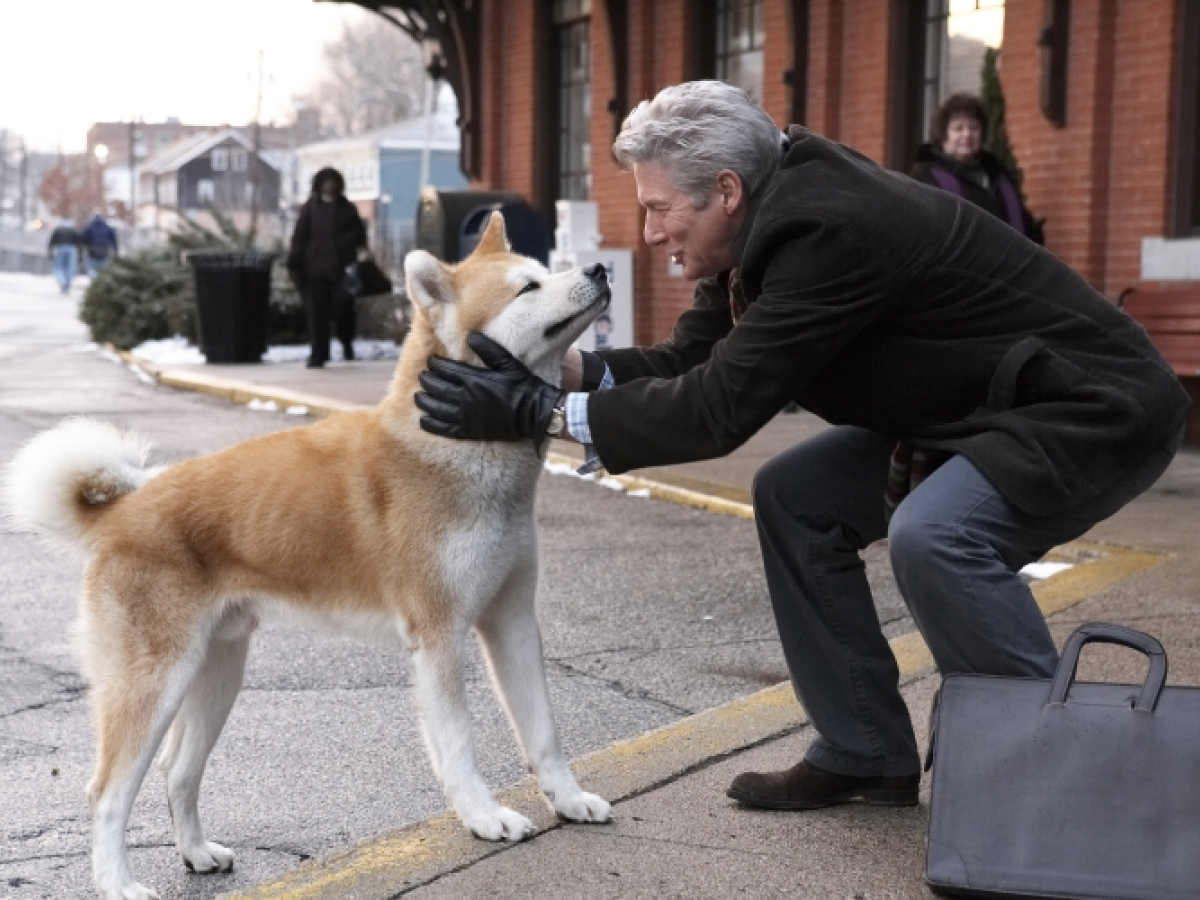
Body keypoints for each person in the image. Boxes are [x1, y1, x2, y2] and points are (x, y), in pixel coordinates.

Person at [414, 81, 1190, 811]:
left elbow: (719, 408)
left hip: (1090, 408)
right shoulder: (760, 216)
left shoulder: (827, 229)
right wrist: (558, 368)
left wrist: (538, 412)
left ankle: (1071, 780)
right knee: (795, 497)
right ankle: (864, 750)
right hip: (978, 409)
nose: (650, 235)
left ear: (725, 191)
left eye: (658, 210)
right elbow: (693, 362)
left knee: (937, 536)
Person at [911, 92, 1043, 244]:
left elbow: (1023, 222)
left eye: (973, 128)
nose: (967, 135)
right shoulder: (925, 178)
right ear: (943, 135)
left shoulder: (998, 175)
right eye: (958, 129)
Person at [286, 167, 367, 368]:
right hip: (314, 271)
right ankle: (318, 354)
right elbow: (299, 238)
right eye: (326, 182)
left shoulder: (347, 209)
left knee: (343, 311)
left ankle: (346, 344)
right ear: (319, 185)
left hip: (342, 271)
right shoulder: (310, 209)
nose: (330, 186)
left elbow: (361, 237)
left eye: (333, 182)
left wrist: (347, 241)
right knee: (316, 315)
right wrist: (294, 263)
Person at [80, 211, 119, 277]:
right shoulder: (108, 228)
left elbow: (84, 239)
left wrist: (86, 246)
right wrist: (115, 251)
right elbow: (114, 240)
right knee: (103, 271)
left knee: (91, 269)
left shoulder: (89, 228)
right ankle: (100, 283)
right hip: (104, 253)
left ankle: (94, 280)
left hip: (92, 253)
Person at [47, 219, 81, 293]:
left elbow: (52, 241)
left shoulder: (58, 230)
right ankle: (67, 283)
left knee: (59, 266)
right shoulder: (73, 230)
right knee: (70, 267)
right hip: (71, 249)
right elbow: (78, 241)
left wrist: (50, 252)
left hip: (61, 248)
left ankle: (62, 280)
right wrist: (79, 254)